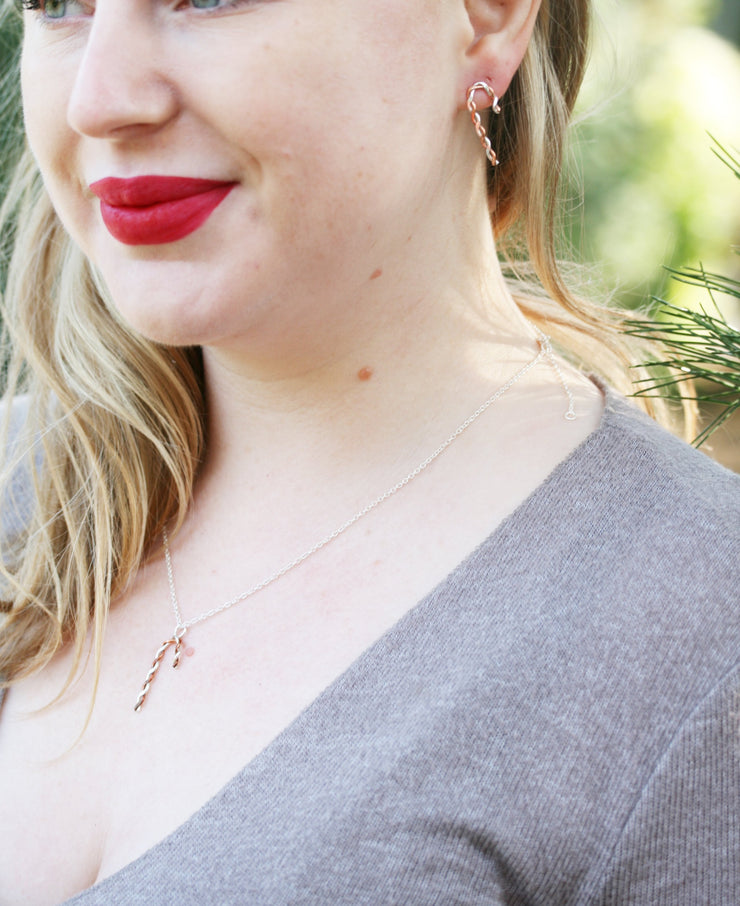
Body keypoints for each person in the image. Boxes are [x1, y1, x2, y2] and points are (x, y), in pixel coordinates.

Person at [0, 0, 737, 903]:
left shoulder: (699, 636)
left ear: (487, 17)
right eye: (56, 5)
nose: (99, 99)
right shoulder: (14, 481)